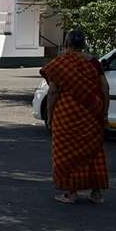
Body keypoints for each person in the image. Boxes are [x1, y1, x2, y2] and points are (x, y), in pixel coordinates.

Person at [41, 29, 110, 204]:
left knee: (68, 153)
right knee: (94, 152)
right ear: (84, 44)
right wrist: (104, 112)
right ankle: (96, 193)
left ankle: (71, 193)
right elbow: (105, 88)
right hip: (92, 114)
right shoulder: (94, 62)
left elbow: (54, 93)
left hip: (67, 115)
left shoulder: (61, 63)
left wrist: (50, 116)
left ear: (67, 44)